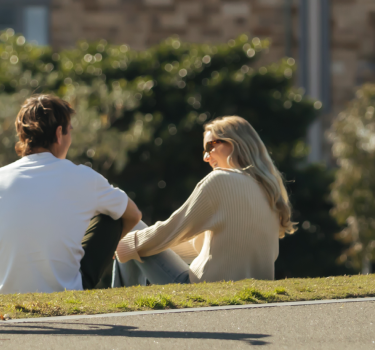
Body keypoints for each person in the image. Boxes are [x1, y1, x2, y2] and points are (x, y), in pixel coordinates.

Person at [0, 94, 142, 294]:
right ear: (58, 133)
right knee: (113, 216)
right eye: (69, 132)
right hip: (63, 291)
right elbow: (133, 215)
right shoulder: (84, 178)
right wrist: (110, 248)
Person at [113, 115, 295, 285]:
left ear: (234, 144)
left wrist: (123, 244)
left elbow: (172, 229)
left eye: (210, 147)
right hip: (253, 289)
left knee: (129, 233)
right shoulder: (270, 189)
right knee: (135, 245)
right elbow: (203, 247)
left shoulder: (220, 180)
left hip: (204, 288)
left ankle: (120, 308)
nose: (205, 157)